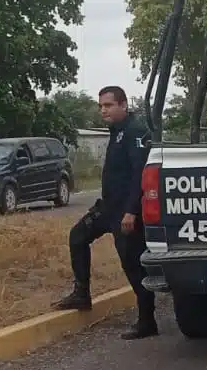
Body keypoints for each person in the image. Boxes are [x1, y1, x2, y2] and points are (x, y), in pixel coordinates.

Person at [53, 85, 158, 339]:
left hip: (127, 211)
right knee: (78, 236)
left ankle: (147, 321)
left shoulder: (135, 131)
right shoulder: (116, 131)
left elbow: (139, 176)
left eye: (108, 105)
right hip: (108, 208)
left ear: (123, 105)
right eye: (101, 106)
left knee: (132, 265)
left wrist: (132, 212)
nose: (103, 111)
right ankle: (81, 294)